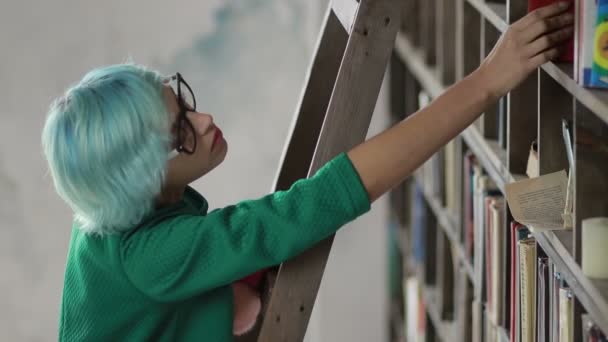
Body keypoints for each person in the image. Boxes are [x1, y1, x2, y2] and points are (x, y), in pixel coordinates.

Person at [42, 2, 573, 341]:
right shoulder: (150, 254)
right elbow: (319, 201)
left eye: (181, 100)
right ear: (136, 178)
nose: (203, 121)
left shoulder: (103, 212)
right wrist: (485, 83)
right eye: (180, 131)